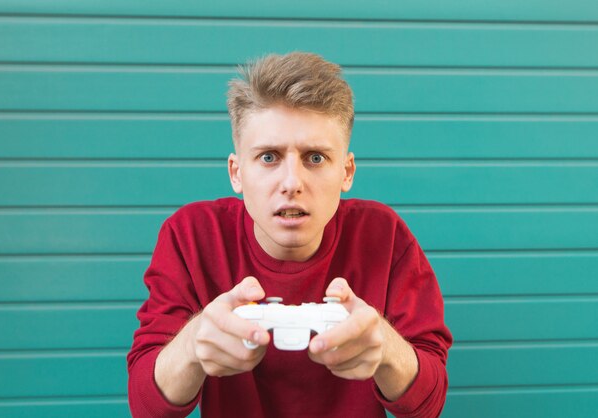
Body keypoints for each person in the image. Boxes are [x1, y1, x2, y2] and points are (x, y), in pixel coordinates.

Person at [127, 52, 452, 418]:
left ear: (346, 172)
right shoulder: (191, 236)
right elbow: (146, 407)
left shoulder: (384, 235)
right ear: (237, 173)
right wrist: (192, 345)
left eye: (315, 158)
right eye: (269, 157)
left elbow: (428, 404)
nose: (292, 183)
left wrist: (386, 349)